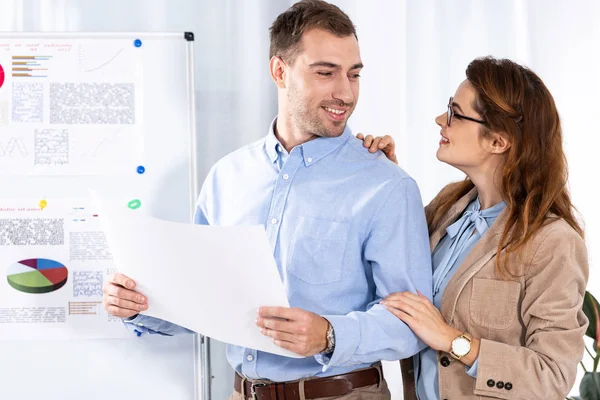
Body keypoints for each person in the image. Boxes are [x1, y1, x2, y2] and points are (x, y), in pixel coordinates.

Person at [102, 1, 433, 399]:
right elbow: (205, 300)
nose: (345, 92)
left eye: (354, 74)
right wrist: (140, 303)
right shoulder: (228, 176)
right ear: (279, 71)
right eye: (326, 73)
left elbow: (413, 323)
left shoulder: (387, 185)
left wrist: (329, 335)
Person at [359, 56, 589, 399]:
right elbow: (388, 258)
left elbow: (552, 376)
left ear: (498, 141)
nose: (440, 120)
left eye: (454, 113)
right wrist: (386, 176)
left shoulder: (552, 242)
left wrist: (452, 340)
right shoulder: (446, 208)